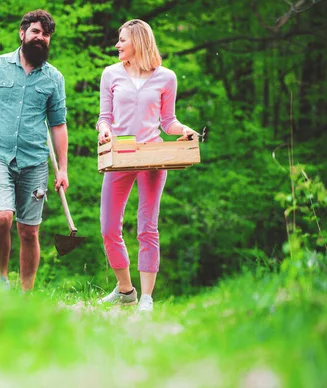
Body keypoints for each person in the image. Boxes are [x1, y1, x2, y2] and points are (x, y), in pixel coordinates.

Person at [0, 10, 69, 291]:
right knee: (2, 217)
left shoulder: (54, 79)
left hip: (35, 162)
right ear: (22, 33)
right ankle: (1, 279)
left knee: (29, 230)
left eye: (46, 35)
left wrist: (64, 168)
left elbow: (58, 125)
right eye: (36, 32)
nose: (41, 38)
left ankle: (26, 293)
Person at [96, 19, 199, 311]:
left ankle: (146, 298)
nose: (117, 45)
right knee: (108, 227)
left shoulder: (166, 77)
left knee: (147, 226)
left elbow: (168, 121)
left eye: (123, 40)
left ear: (139, 42)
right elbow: (105, 116)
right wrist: (104, 130)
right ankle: (125, 289)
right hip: (122, 152)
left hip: (153, 155)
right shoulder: (111, 74)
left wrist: (184, 131)